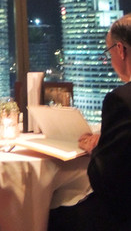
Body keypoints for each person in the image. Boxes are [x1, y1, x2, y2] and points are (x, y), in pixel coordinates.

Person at [48, 14, 131, 231]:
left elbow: (104, 180)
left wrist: (97, 148)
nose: (110, 61)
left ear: (121, 50)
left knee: (50, 215)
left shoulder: (121, 100)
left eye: (109, 52)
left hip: (122, 216)